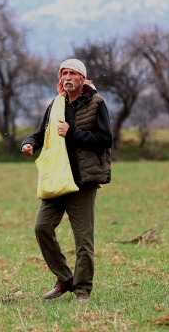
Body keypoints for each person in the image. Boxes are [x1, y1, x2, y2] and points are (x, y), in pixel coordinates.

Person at [21, 58, 112, 303]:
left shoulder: (96, 103)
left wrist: (73, 133)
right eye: (64, 73)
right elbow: (41, 133)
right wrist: (29, 143)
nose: (67, 77)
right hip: (57, 179)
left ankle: (82, 289)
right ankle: (65, 279)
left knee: (83, 240)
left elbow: (105, 138)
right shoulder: (56, 104)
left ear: (83, 78)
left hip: (83, 181)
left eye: (72, 73)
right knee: (41, 226)